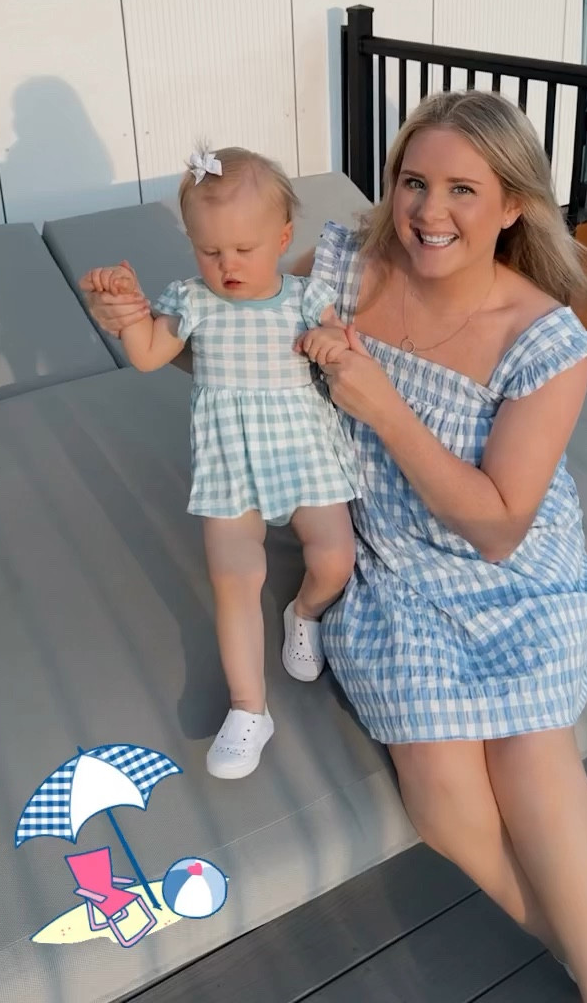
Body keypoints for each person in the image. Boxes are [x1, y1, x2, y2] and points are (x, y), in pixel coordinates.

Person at [85, 96, 587, 1003]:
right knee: (443, 791)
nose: (429, 211)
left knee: (532, 757)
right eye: (413, 182)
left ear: (513, 206)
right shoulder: (348, 265)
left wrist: (386, 410)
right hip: (391, 568)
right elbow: (248, 350)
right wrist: (136, 327)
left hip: (511, 571)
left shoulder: (544, 342)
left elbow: (499, 528)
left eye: (463, 189)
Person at [80, 146, 358, 781]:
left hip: (304, 454)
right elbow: (148, 355)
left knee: (335, 559)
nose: (227, 266)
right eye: (210, 251)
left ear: (282, 238)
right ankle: (248, 708)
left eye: (243, 249)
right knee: (236, 578)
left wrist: (330, 342)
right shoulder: (193, 301)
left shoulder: (305, 296)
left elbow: (343, 346)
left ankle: (304, 612)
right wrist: (130, 311)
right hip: (230, 464)